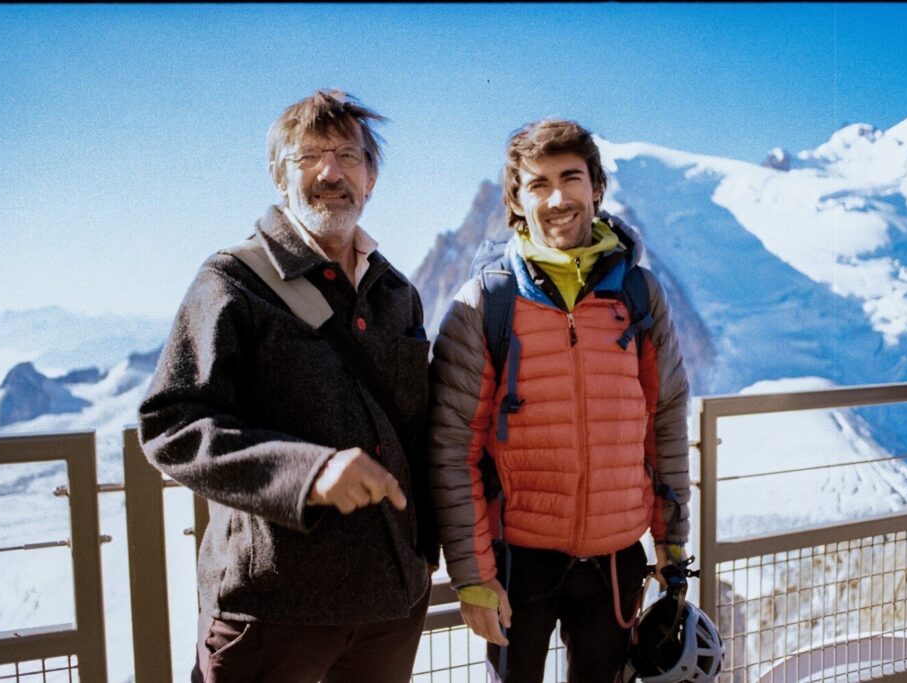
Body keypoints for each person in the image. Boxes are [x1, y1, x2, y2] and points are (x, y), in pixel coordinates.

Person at [138, 89, 436, 683]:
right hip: (273, 616)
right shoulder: (232, 282)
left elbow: (421, 432)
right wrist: (307, 473)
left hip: (389, 611)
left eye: (349, 156)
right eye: (309, 157)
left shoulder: (396, 293)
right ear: (279, 177)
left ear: (371, 178)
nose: (331, 172)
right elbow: (170, 425)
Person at [428, 118, 691, 682]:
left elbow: (664, 414)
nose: (556, 198)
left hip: (617, 559)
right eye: (536, 184)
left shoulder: (638, 294)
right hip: (518, 561)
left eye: (570, 178)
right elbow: (453, 446)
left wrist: (671, 538)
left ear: (596, 186)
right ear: (516, 203)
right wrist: (472, 576)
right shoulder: (484, 304)